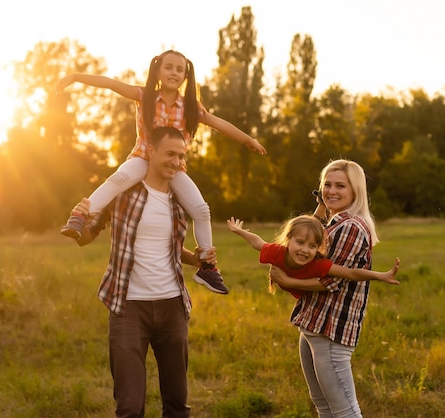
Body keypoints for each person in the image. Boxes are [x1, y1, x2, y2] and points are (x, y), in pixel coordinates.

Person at [57, 49, 267, 295]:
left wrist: (247, 140)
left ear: (186, 76)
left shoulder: (190, 106)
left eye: (180, 70)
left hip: (173, 167)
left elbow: (218, 123)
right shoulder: (144, 95)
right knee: (118, 179)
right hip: (142, 158)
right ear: (157, 70)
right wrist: (75, 76)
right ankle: (82, 216)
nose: (174, 73)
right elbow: (111, 84)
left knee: (201, 210)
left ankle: (208, 267)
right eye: (169, 67)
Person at [72, 126, 211, 417]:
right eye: (170, 154)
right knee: (130, 406)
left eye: (181, 156)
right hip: (128, 308)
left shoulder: (179, 199)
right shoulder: (122, 192)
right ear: (150, 151)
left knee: (177, 404)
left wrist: (198, 260)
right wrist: (80, 221)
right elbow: (86, 238)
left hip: (172, 307)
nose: (176, 162)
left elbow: (171, 249)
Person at [268, 159, 397, 418]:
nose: (332, 191)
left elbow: (331, 281)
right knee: (324, 407)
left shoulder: (350, 227)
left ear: (355, 191)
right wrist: (320, 204)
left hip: (331, 329)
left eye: (341, 186)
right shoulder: (334, 222)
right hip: (314, 323)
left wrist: (288, 281)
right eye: (327, 185)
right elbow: (309, 233)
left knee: (344, 411)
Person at [227, 215, 399, 298]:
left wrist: (381, 275)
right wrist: (239, 231)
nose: (305, 250)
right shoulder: (278, 252)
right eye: (300, 242)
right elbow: (257, 242)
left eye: (312, 246)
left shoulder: (318, 265)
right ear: (288, 239)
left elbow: (351, 273)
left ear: (318, 247)